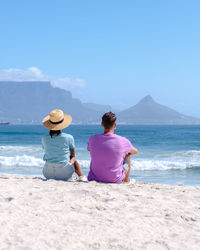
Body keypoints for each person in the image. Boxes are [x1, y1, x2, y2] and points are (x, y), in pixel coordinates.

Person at [87, 112, 138, 183]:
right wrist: (123, 153)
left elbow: (90, 149)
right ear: (115, 125)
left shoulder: (92, 139)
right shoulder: (122, 140)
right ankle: (126, 180)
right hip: (115, 180)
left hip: (94, 178)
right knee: (128, 154)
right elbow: (135, 151)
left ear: (102, 124)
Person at [42, 109, 87, 181]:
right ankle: (81, 176)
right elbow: (73, 156)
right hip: (64, 173)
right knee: (74, 160)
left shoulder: (44, 137)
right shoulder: (69, 137)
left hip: (47, 173)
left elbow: (46, 150)